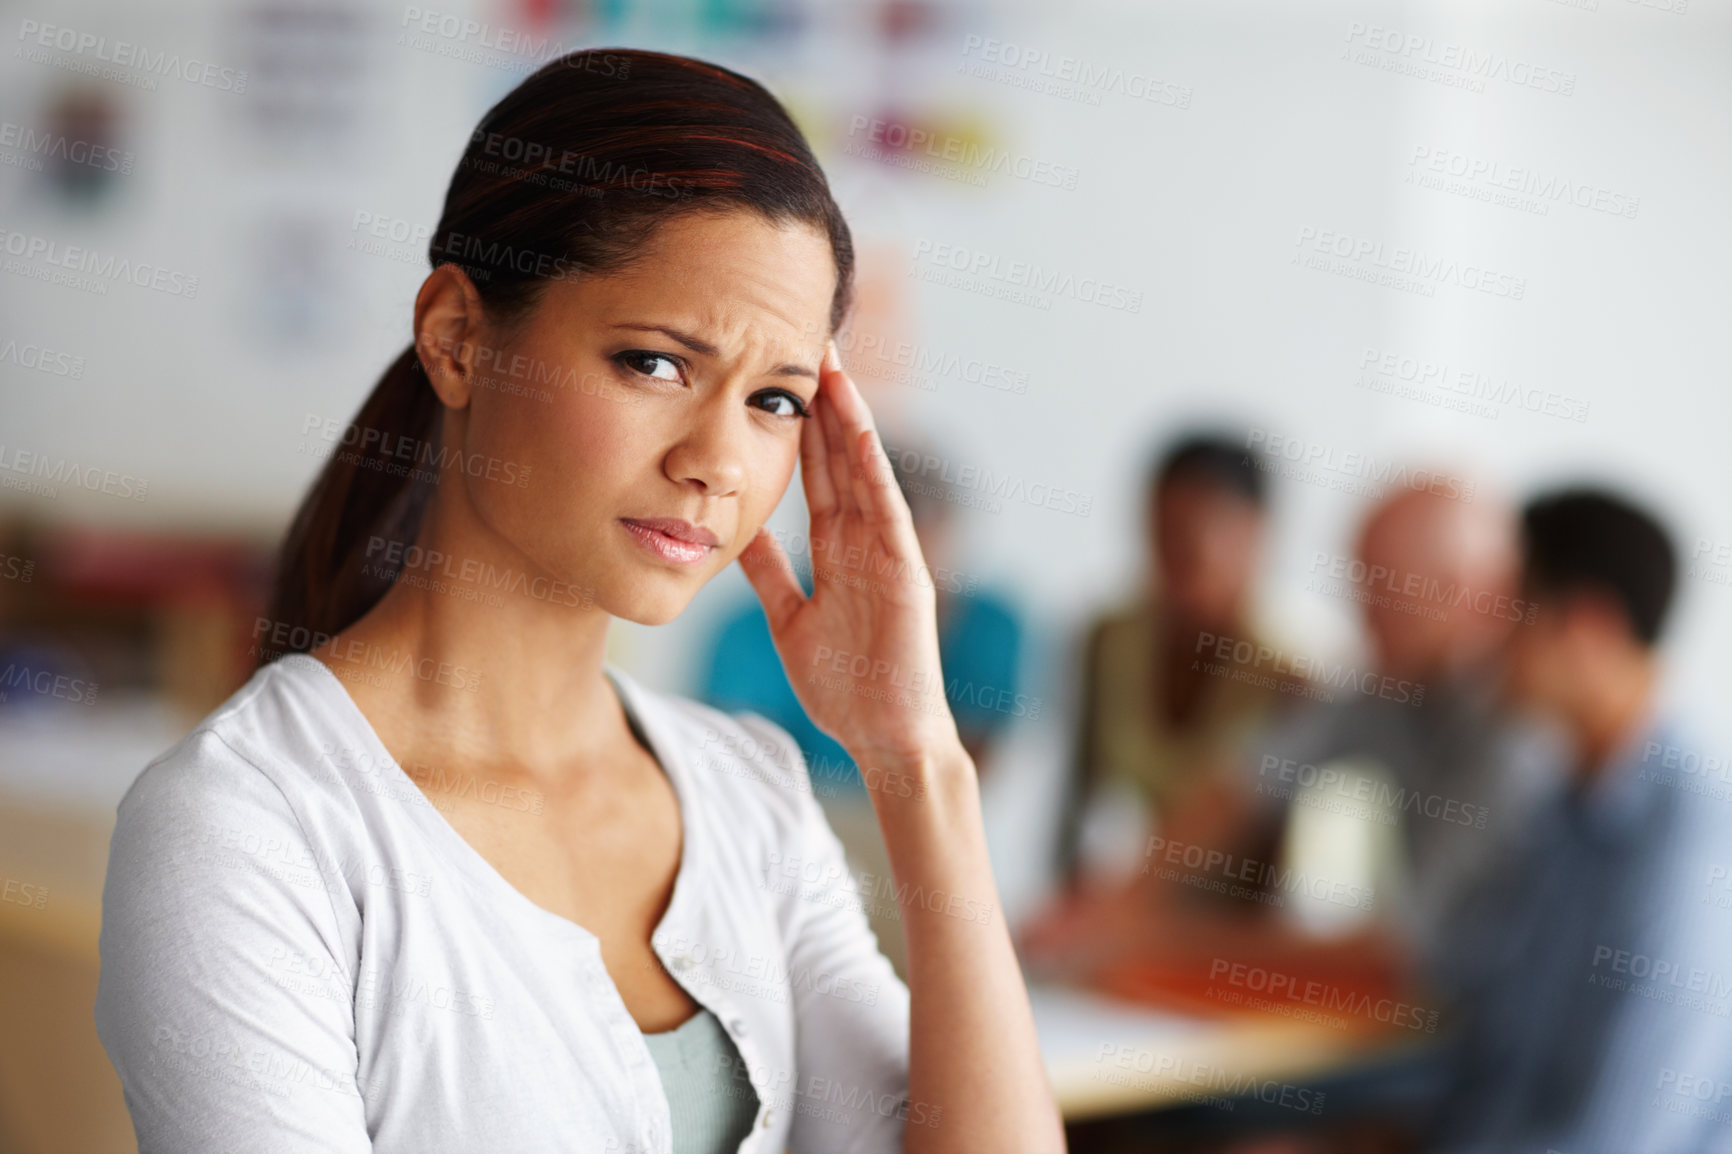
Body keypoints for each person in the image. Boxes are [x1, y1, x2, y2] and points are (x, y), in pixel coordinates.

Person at [91, 50, 1063, 1154]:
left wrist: (914, 757)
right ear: (458, 335)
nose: (717, 461)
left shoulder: (749, 796)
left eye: (776, 399)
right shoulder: (252, 824)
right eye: (653, 363)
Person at [1423, 487, 1732, 1153]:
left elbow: (1619, 1139)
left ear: (1588, 627)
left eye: (1508, 611)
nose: (1484, 641)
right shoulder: (1561, 806)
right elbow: (1484, 1032)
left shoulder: (1693, 841)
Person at [700, 432, 1025, 978]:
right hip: (786, 845)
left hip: (915, 847)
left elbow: (964, 773)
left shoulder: (992, 626)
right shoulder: (751, 626)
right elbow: (732, 768)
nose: (897, 572)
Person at [1243, 487, 1562, 970]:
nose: (1363, 618)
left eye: (1381, 594)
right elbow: (1249, 778)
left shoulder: (1517, 731)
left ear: (1461, 590)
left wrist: (1187, 946)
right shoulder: (1393, 686)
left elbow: (1404, 946)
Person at [1050, 432, 1299, 892]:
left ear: (1256, 534)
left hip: (1242, 938)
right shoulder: (1109, 640)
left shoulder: (1297, 672)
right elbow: (1075, 812)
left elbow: (1295, 874)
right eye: (1161, 531)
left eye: (1197, 535)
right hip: (1128, 912)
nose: (1175, 555)